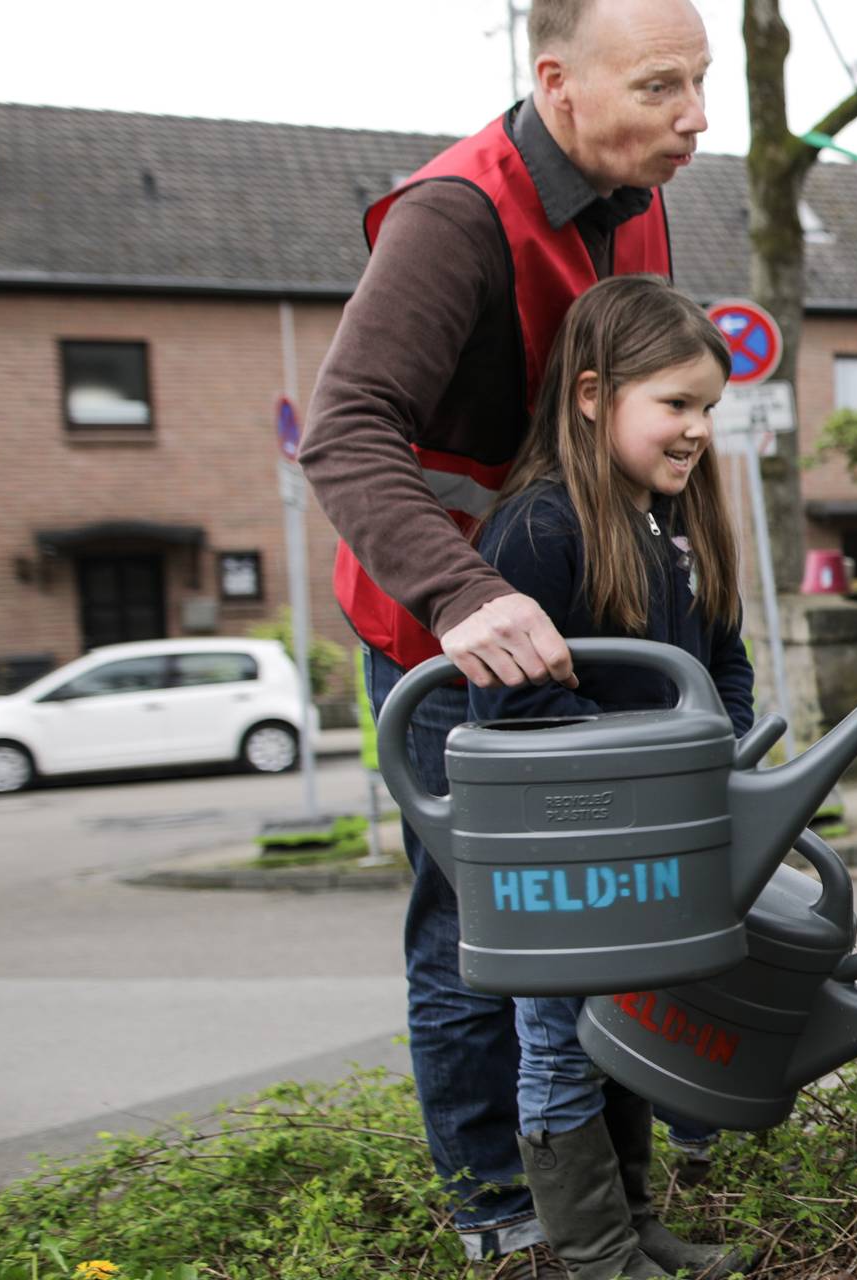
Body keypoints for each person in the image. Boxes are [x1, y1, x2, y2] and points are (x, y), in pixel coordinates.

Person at [298, 0, 719, 1265]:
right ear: (557, 83)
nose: (695, 119)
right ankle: (497, 1197)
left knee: (610, 904)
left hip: (589, 609)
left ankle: (608, 1185)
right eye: (661, 88)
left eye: (700, 85)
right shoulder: (453, 216)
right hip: (450, 630)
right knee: (478, 919)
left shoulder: (635, 187)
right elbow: (346, 427)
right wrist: (462, 594)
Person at [468, 275, 753, 1280]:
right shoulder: (539, 532)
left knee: (625, 1025)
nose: (696, 430)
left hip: (643, 845)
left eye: (708, 409)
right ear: (592, 396)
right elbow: (512, 709)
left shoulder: (676, 531)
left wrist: (716, 748)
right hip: (562, 852)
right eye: (675, 404)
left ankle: (637, 1227)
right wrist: (643, 770)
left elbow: (725, 664)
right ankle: (593, 1253)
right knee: (558, 1041)